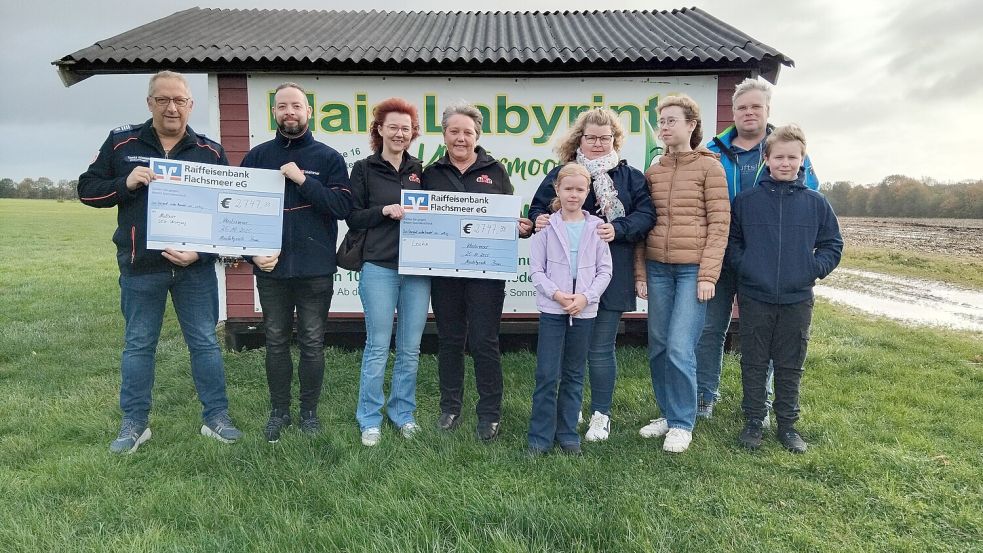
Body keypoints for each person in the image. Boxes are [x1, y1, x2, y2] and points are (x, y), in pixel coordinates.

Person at [78, 70, 242, 453]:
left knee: (204, 343)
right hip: (141, 267)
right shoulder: (122, 143)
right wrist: (125, 184)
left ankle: (215, 418)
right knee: (138, 345)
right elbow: (87, 190)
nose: (172, 107)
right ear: (149, 102)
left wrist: (200, 253)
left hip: (195, 269)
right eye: (163, 99)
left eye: (179, 100)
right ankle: (134, 423)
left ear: (190, 105)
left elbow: (227, 216)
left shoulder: (210, 152)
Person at [696, 78, 821, 422]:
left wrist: (803, 260)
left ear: (768, 111)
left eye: (756, 107)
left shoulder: (786, 149)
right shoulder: (712, 150)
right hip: (720, 254)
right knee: (711, 329)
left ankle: (761, 404)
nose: (749, 113)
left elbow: (808, 203)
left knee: (764, 334)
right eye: (742, 107)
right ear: (733, 112)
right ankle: (705, 395)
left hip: (767, 262)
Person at [528, 108, 655, 442]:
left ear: (615, 140)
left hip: (609, 272)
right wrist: (541, 218)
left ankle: (601, 414)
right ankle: (572, 411)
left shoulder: (630, 177)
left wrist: (619, 228)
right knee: (568, 354)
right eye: (591, 137)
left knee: (600, 348)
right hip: (564, 282)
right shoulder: (562, 174)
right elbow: (537, 210)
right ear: (579, 139)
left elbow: (647, 214)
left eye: (605, 138)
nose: (598, 144)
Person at [240, 82, 353, 443]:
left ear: (309, 112)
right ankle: (279, 412)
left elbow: (342, 208)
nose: (290, 112)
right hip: (270, 270)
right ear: (274, 113)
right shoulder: (257, 157)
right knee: (274, 340)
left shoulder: (329, 158)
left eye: (297, 106)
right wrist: (251, 255)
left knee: (312, 342)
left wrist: (303, 180)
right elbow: (236, 216)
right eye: (282, 106)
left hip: (315, 270)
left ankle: (308, 412)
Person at [422, 101, 533, 441]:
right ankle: (450, 407)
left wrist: (518, 226)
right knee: (450, 340)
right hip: (445, 272)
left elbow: (506, 215)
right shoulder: (431, 173)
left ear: (477, 136)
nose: (460, 138)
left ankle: (489, 413)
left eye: (467, 132)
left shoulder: (495, 170)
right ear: (444, 135)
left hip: (486, 271)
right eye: (454, 131)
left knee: (485, 340)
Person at [728, 124, 842, 453]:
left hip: (797, 297)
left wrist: (810, 271)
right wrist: (747, 268)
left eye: (793, 157)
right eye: (778, 156)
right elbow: (733, 244)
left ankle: (788, 425)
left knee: (791, 362)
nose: (785, 163)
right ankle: (753, 421)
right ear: (766, 158)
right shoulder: (747, 202)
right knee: (754, 359)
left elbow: (833, 244)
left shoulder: (816, 203)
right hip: (755, 295)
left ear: (802, 160)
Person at [635, 94, 729, 453]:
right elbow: (646, 224)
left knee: (679, 346)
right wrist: (640, 272)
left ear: (691, 125)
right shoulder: (654, 170)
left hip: (693, 272)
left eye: (671, 120)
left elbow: (720, 224)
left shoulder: (710, 168)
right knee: (658, 346)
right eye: (661, 121)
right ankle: (667, 412)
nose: (664, 127)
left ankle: (682, 423)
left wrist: (708, 275)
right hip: (658, 269)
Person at [347, 98, 429, 447]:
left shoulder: (421, 170)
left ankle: (403, 413)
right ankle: (369, 419)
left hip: (418, 269)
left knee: (410, 348)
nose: (399, 133)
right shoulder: (364, 169)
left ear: (413, 134)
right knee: (378, 346)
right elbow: (353, 217)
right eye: (392, 126)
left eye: (405, 128)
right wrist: (384, 210)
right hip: (379, 266)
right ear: (379, 129)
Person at [527, 163, 613, 456]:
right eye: (568, 189)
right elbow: (536, 271)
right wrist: (559, 295)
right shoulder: (546, 227)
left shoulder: (596, 229)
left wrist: (586, 298)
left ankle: (567, 433)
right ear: (558, 190)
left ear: (587, 192)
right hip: (553, 309)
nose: (573, 195)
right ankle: (539, 436)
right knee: (547, 373)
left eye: (579, 189)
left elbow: (605, 271)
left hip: (584, 312)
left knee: (575, 373)